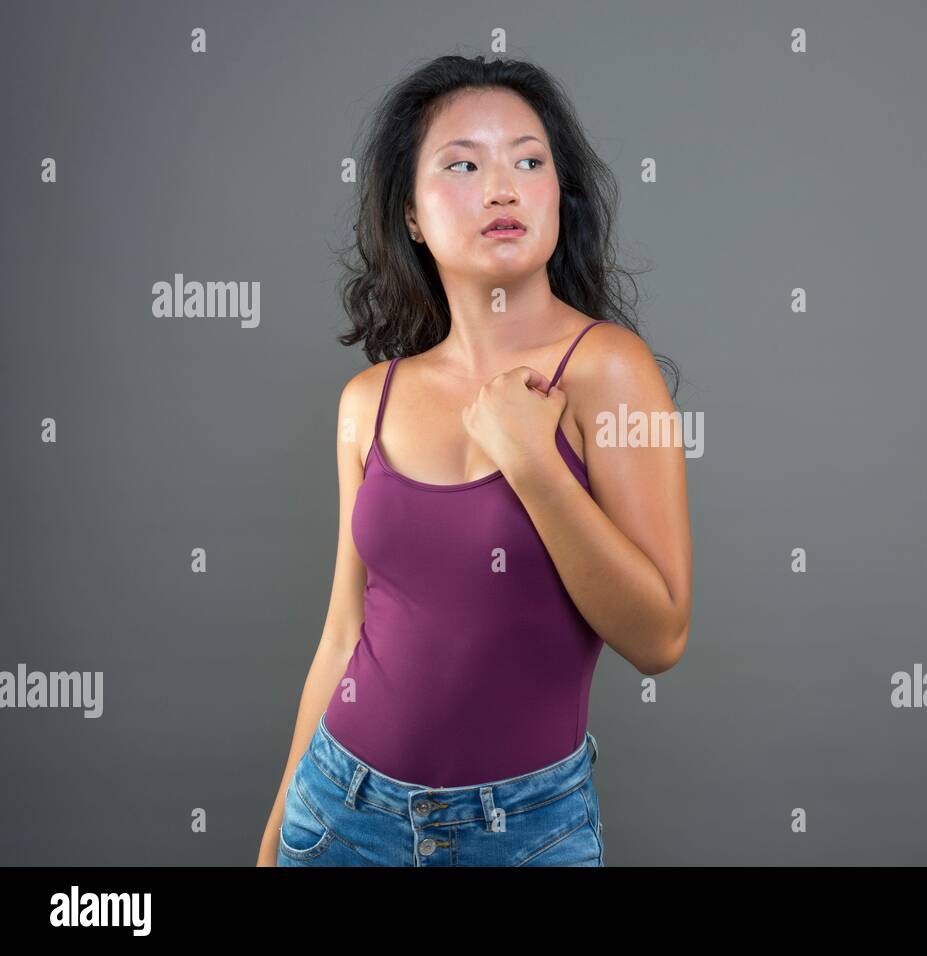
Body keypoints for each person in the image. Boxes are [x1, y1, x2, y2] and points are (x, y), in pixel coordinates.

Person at [255, 55, 693, 866]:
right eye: (464, 164)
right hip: (340, 813)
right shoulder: (370, 401)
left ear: (561, 194)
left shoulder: (609, 370)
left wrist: (533, 463)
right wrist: (279, 829)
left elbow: (660, 635)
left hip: (525, 833)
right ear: (412, 215)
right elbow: (343, 636)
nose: (503, 187)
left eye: (530, 161)